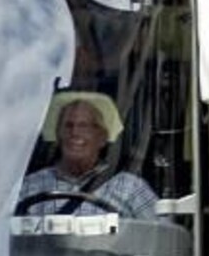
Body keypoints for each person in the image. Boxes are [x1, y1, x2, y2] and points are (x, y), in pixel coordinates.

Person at [17, 90, 157, 218]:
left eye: (84, 126)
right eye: (68, 125)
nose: (75, 133)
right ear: (58, 135)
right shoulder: (29, 187)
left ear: (102, 137)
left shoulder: (130, 188)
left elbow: (162, 237)